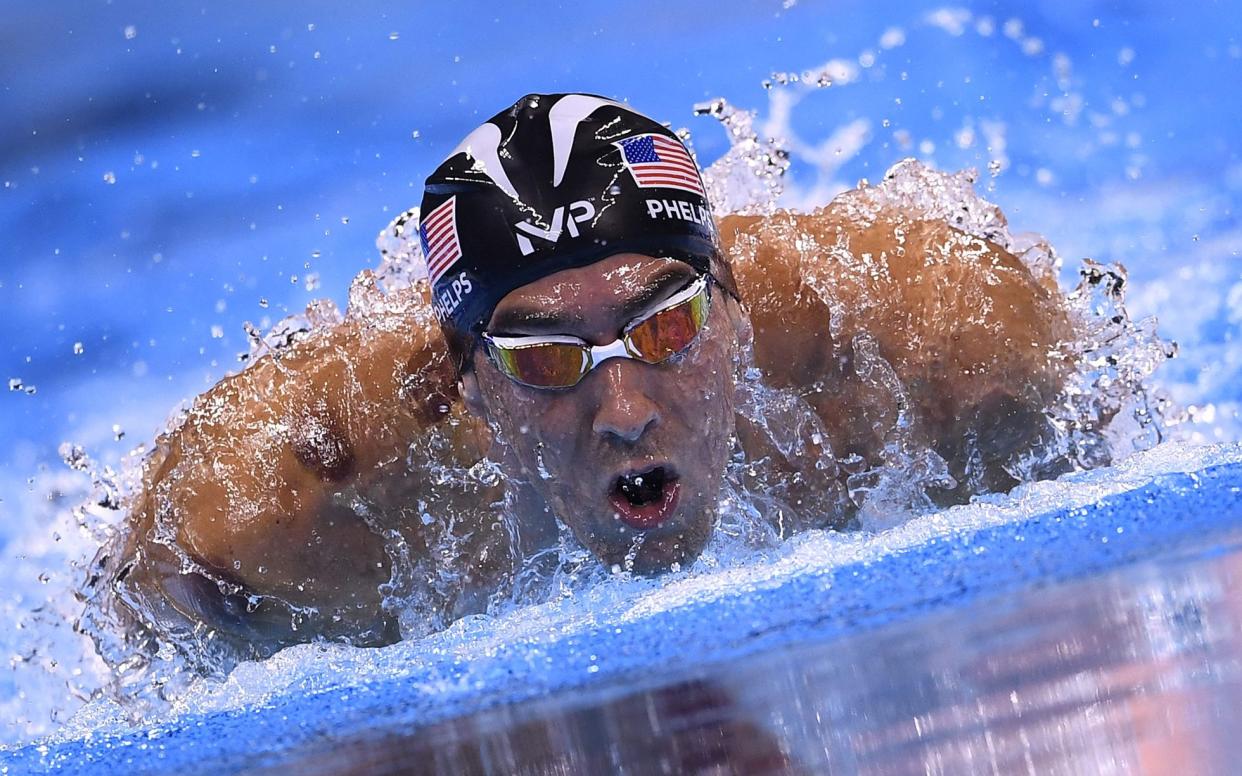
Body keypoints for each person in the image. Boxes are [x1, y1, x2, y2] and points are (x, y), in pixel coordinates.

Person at [90, 93, 1072, 670]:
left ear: (730, 309)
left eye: (669, 325)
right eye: (546, 359)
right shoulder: (303, 496)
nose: (627, 409)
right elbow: (149, 598)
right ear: (467, 379)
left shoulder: (931, 342)